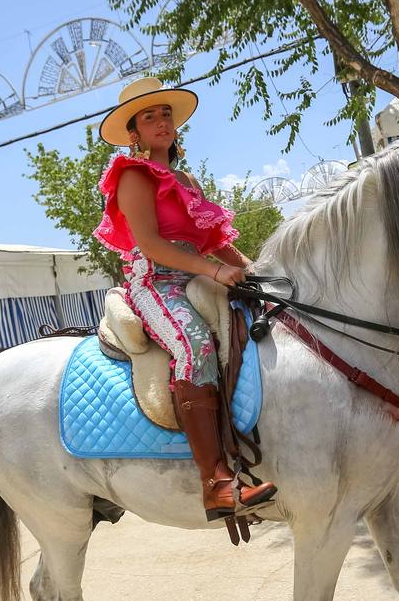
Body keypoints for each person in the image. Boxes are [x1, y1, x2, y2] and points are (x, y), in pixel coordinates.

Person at [95, 76, 277, 521]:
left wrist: (259, 273)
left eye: (166, 114)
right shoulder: (132, 175)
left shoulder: (186, 178)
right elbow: (153, 245)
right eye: (149, 116)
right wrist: (216, 270)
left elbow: (213, 239)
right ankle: (216, 482)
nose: (162, 122)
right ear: (133, 132)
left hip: (198, 274)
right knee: (193, 343)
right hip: (156, 283)